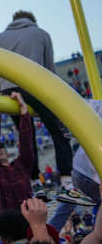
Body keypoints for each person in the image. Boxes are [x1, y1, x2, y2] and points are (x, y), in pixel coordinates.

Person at [0, 10, 94, 206]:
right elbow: (49, 70)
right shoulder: (40, 33)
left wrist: (1, 86)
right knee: (60, 132)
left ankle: (35, 183)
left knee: (27, 136)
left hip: (8, 91)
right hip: (36, 87)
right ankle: (67, 183)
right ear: (31, 21)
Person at [49, 99, 101, 231]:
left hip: (79, 171)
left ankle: (47, 235)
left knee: (63, 209)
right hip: (95, 175)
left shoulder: (97, 105)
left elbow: (73, 104)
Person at [0, 92, 34, 217]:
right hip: (7, 229)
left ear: (7, 152)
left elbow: (27, 144)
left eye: (2, 148)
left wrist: (24, 112)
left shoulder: (21, 167)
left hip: (29, 224)